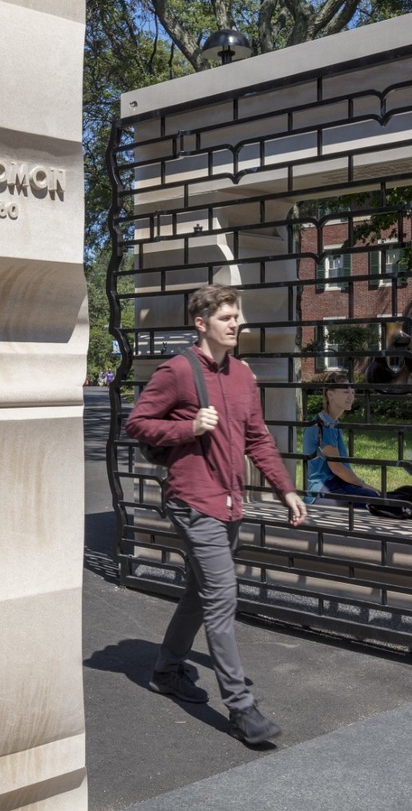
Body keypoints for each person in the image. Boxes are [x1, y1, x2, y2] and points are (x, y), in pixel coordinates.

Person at [123, 284, 307, 744]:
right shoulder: (179, 370)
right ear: (201, 324)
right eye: (226, 317)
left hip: (230, 502)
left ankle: (166, 671)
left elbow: (258, 438)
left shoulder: (243, 375)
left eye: (237, 317)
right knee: (223, 597)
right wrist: (188, 427)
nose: (236, 324)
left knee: (198, 593)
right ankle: (242, 708)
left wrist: (285, 489)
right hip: (193, 501)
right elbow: (138, 422)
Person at [300, 370, 380, 503]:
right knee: (373, 501)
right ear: (330, 394)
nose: (351, 396)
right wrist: (362, 484)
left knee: (376, 498)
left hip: (334, 483)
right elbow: (336, 467)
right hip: (321, 489)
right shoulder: (326, 423)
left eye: (352, 392)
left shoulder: (332, 421)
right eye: (345, 392)